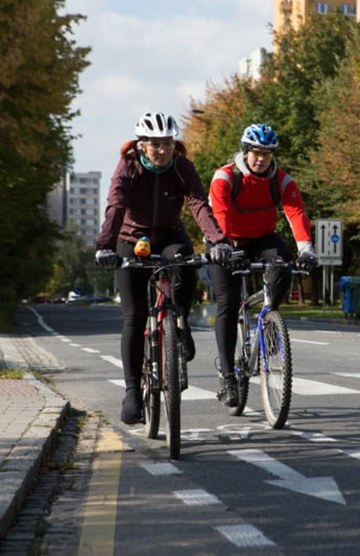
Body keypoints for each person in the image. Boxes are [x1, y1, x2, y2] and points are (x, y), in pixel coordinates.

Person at [94, 111, 233, 425]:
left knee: (186, 264)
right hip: (132, 238)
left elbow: (199, 203)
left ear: (174, 143)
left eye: (167, 143)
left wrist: (218, 239)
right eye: (155, 144)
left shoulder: (182, 167)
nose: (161, 150)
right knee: (134, 314)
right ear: (142, 145)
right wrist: (105, 246)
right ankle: (132, 390)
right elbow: (115, 206)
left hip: (170, 236)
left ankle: (179, 325)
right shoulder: (128, 167)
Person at [208, 123, 316, 407]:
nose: (261, 159)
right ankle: (228, 376)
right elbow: (219, 214)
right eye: (256, 153)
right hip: (225, 240)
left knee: (283, 265)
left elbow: (296, 212)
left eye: (267, 154)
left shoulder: (281, 181)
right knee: (228, 303)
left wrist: (306, 250)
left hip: (262, 238)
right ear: (245, 151)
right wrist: (226, 247)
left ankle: (269, 318)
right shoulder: (225, 177)